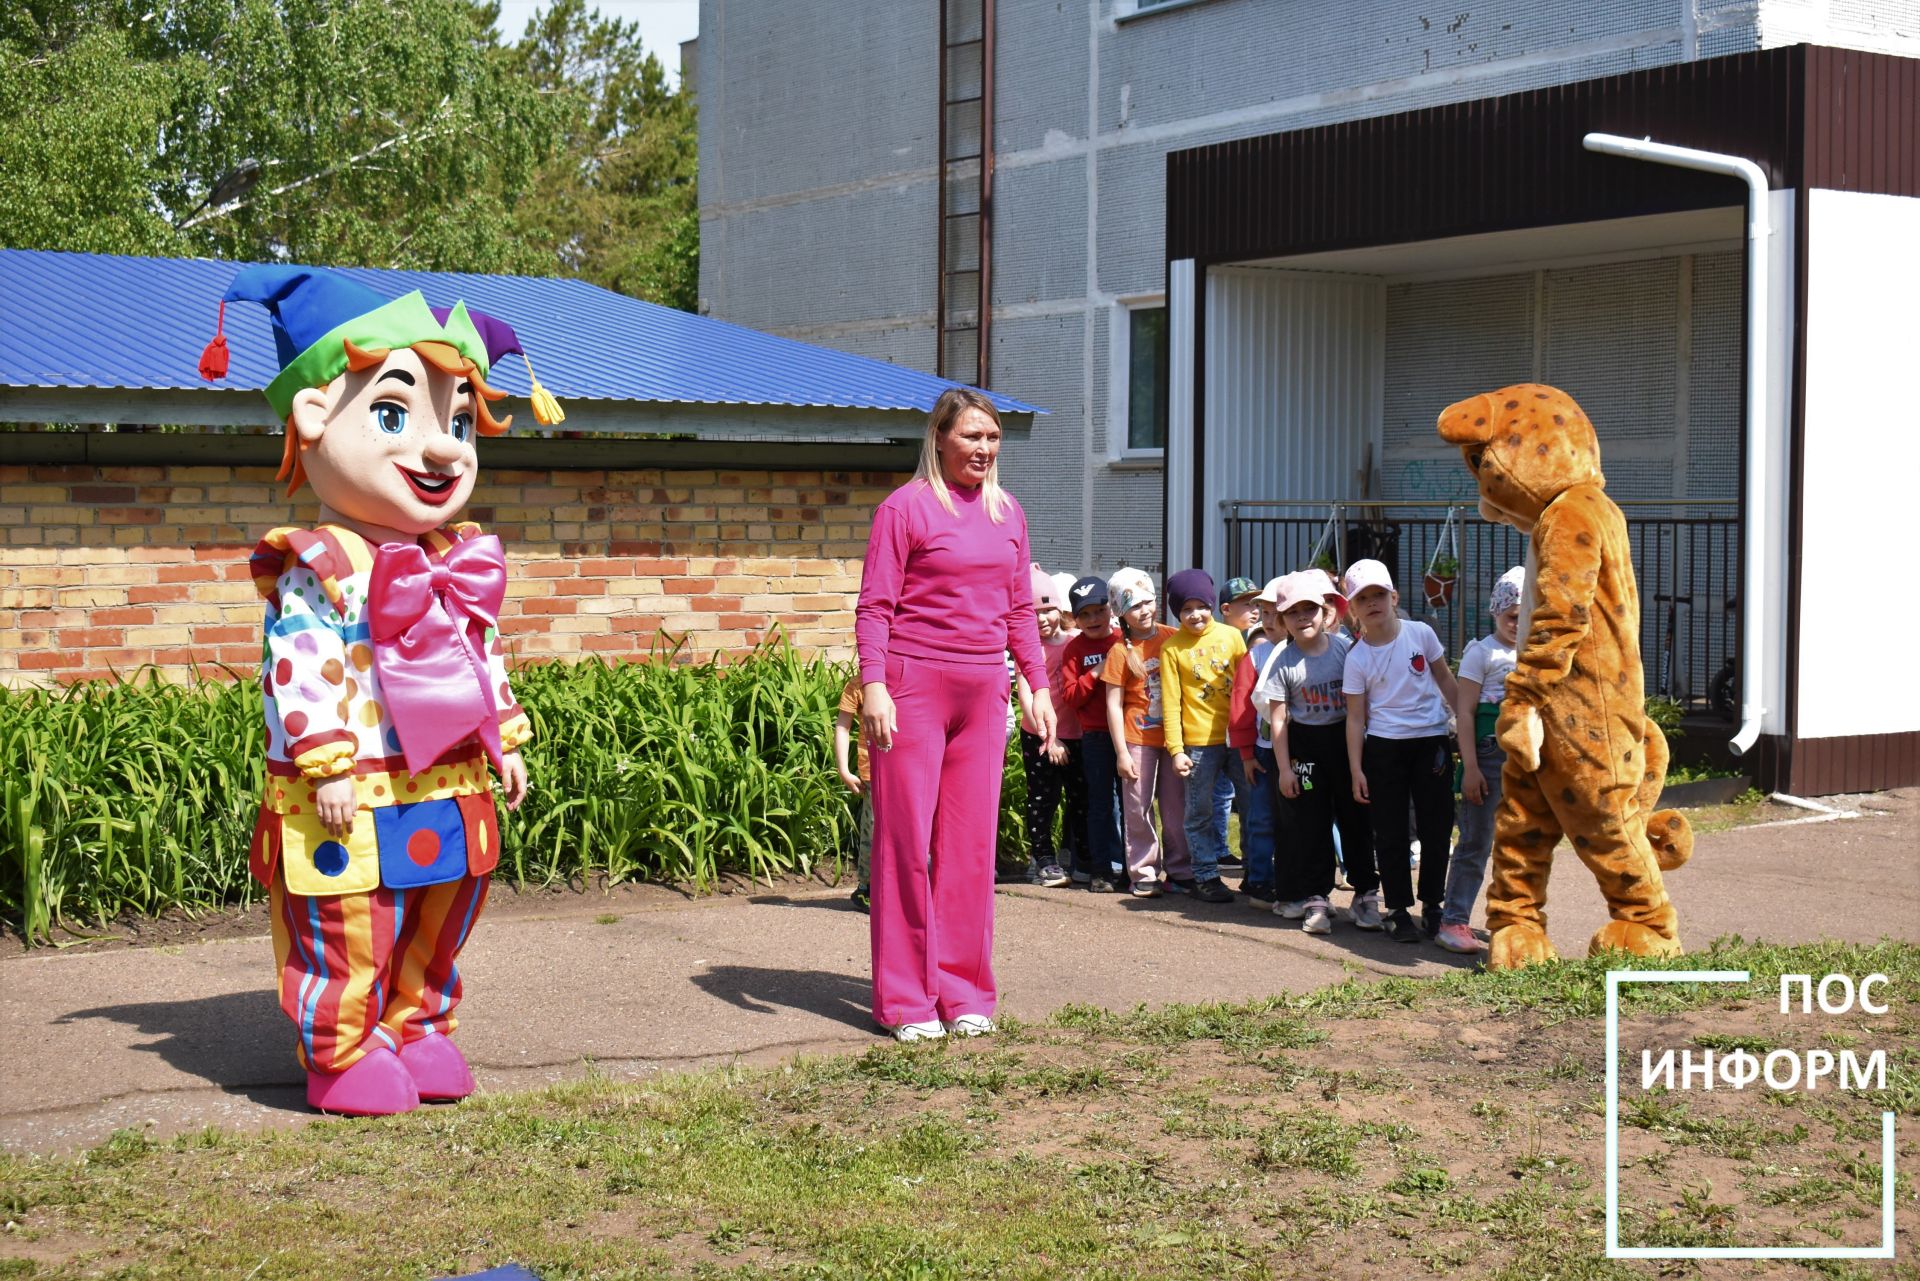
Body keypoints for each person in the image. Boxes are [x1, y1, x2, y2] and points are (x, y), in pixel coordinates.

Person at [209, 265, 549, 1116]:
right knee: (349, 914)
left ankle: (418, 1025)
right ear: (315, 417)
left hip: (446, 774)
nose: (442, 448)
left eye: (460, 421)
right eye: (395, 413)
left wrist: (501, 735)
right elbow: (299, 665)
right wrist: (322, 762)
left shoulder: (455, 557)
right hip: (352, 779)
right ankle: (341, 1051)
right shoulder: (317, 563)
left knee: (443, 904)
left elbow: (481, 652)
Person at [855, 387, 1053, 1042]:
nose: (984, 449)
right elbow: (875, 608)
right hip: (913, 687)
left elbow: (1020, 610)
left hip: (982, 691)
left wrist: (1036, 683)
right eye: (972, 437)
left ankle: (963, 992)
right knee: (905, 844)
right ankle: (907, 1001)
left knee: (969, 848)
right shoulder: (903, 510)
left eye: (992, 438)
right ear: (940, 438)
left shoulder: (1008, 513)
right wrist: (875, 686)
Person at [1341, 559, 1461, 944]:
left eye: (1379, 594)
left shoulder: (1421, 633)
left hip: (1431, 742)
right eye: (1363, 598)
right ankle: (1397, 908)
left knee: (1436, 827)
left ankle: (1433, 904)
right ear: (1352, 609)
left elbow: (1444, 677)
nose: (1373, 603)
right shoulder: (1357, 658)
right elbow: (1356, 719)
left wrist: (1465, 722)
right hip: (1385, 748)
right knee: (1390, 830)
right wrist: (1357, 769)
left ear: (1393, 597)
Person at [1256, 570, 1375, 935]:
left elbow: (1363, 704)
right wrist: (1285, 770)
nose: (1303, 617)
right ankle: (1317, 899)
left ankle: (1365, 894)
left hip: (1345, 742)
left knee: (1356, 820)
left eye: (1310, 609)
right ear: (1281, 620)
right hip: (1304, 745)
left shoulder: (1345, 649)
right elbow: (1277, 721)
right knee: (1312, 825)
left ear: (1326, 613)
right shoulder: (1282, 661)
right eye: (1293, 612)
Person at [1437, 566, 1524, 954]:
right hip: (1488, 758)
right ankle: (1453, 920)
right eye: (1511, 617)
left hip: (1528, 762)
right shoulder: (1482, 652)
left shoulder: (1537, 653)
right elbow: (1466, 712)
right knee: (1476, 842)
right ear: (1496, 611)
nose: (1517, 625)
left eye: (1527, 617)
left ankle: (1512, 920)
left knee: (1519, 846)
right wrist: (1469, 767)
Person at [1102, 568, 1191, 897]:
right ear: (1121, 613)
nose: (1144, 610)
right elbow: (1113, 704)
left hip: (1174, 740)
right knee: (1138, 808)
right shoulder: (1120, 651)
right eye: (1134, 605)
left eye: (1148, 602)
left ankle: (1181, 870)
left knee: (1174, 806)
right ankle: (1144, 871)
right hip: (1137, 739)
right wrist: (1122, 752)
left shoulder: (1172, 637)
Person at [1162, 568, 1247, 904]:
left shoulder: (1232, 637)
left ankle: (1256, 874)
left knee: (1252, 808)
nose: (1194, 614)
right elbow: (1171, 702)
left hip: (1238, 738)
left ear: (1212, 604)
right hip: (1197, 744)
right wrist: (1175, 749)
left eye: (1200, 606)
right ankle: (1206, 876)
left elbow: (1246, 687)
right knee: (1199, 812)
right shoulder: (1172, 648)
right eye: (1185, 609)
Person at [1058, 575, 1127, 892]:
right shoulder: (1074, 649)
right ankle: (1101, 870)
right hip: (1096, 737)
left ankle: (1131, 868)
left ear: (1111, 609)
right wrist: (1097, 673)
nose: (1093, 619)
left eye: (1098, 610)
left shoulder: (1123, 641)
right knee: (1100, 803)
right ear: (1074, 618)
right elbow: (1071, 696)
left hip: (1131, 734)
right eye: (1084, 614)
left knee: (1132, 805)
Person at [1015, 565, 1082, 888]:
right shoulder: (1027, 651)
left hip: (1076, 734)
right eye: (1033, 613)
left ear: (1060, 609)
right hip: (1039, 737)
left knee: (1079, 797)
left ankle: (1074, 855)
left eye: (1048, 610)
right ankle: (1043, 859)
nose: (1042, 619)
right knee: (1042, 799)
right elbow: (1025, 694)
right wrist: (1047, 737)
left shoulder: (1074, 642)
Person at [1225, 581, 1289, 903]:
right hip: (1263, 755)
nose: (1268, 619)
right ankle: (1259, 879)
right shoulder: (1256, 656)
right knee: (1260, 818)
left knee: (1295, 822)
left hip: (1297, 754)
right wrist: (1247, 754)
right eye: (1263, 612)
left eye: (1276, 613)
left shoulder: (1302, 651)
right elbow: (1241, 707)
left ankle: (1294, 881)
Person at [834, 676, 874, 913]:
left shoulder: (911, 676)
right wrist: (844, 770)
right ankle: (866, 888)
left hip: (910, 769)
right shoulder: (858, 684)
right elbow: (843, 725)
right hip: (873, 771)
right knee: (874, 829)